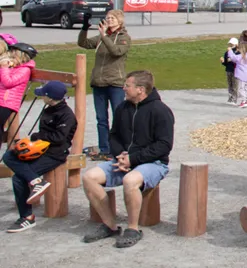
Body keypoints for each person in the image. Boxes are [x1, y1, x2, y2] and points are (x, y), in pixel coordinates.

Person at [81, 70, 174, 249]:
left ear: (140, 89)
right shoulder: (123, 108)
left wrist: (133, 159)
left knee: (130, 180)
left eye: (127, 85)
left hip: (154, 163)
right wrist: (121, 156)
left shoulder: (160, 111)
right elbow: (113, 135)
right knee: (89, 177)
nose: (123, 88)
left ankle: (133, 228)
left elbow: (163, 145)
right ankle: (110, 225)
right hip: (124, 160)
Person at [3, 81, 77, 233]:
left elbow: (59, 138)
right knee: (9, 156)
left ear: (50, 98)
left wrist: (36, 136)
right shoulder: (49, 109)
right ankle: (36, 180)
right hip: (40, 149)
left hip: (55, 154)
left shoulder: (67, 115)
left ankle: (27, 217)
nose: (41, 96)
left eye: (44, 94)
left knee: (18, 177)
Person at [78, 10, 131, 160]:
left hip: (115, 83)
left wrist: (104, 35)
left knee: (118, 117)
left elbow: (116, 52)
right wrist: (84, 27)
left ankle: (120, 148)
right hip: (99, 83)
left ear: (120, 21)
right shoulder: (102, 37)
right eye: (108, 18)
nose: (110, 19)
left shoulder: (124, 37)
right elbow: (83, 43)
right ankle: (105, 149)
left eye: (113, 18)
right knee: (101, 119)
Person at [0, 42, 36, 147]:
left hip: (7, 103)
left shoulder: (25, 70)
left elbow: (8, 83)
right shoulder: (13, 67)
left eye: (12, 53)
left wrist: (4, 68)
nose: (10, 55)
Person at [225, 30, 247, 108]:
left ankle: (243, 101)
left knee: (240, 89)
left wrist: (230, 51)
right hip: (246, 76)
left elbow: (233, 58)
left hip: (240, 76)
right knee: (245, 89)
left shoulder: (241, 57)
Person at [220, 38, 240, 105]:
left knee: (235, 85)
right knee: (230, 85)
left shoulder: (238, 52)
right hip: (228, 70)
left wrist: (232, 58)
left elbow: (238, 61)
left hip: (235, 71)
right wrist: (223, 62)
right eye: (230, 44)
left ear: (236, 45)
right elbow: (226, 63)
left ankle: (235, 99)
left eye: (232, 44)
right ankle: (230, 98)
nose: (230, 45)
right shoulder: (227, 53)